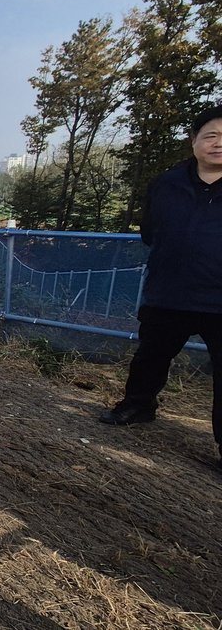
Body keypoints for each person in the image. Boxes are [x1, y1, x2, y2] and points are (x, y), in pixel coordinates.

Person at [99, 104, 222, 470]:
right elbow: (150, 231)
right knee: (151, 356)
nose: (218, 144)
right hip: (170, 291)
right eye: (211, 136)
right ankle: (138, 406)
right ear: (194, 141)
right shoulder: (167, 184)